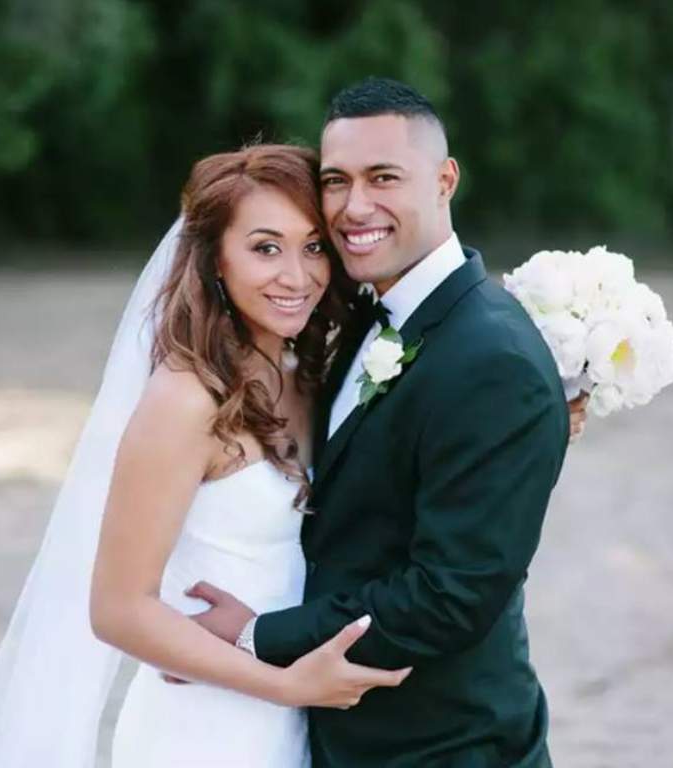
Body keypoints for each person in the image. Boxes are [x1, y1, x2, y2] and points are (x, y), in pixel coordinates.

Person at [0, 144, 411, 768]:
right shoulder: (184, 400)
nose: (297, 274)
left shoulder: (306, 374)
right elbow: (119, 611)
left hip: (296, 715)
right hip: (206, 727)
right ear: (215, 262)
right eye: (265, 247)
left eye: (313, 246)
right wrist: (286, 684)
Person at [181, 78, 581, 767]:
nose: (353, 206)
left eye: (383, 177)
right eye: (335, 181)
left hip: (443, 745)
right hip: (344, 736)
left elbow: (449, 595)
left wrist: (257, 637)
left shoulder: (493, 359)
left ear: (445, 180)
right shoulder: (367, 313)